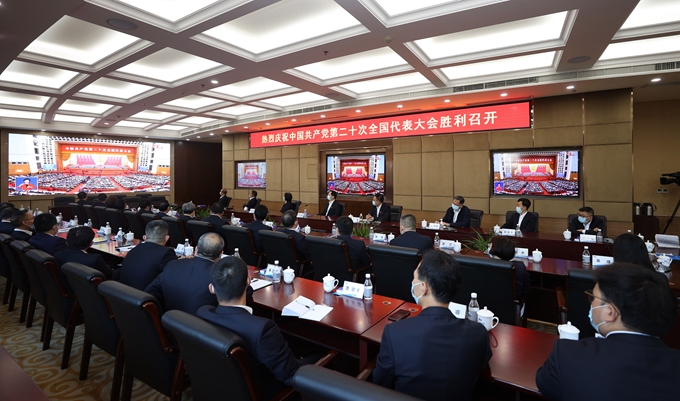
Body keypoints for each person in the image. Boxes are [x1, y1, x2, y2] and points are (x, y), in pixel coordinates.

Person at [536, 263, 680, 401]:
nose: (591, 303)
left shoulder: (567, 356)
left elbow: (545, 385)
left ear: (610, 312)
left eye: (593, 298)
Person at [373, 251, 492, 401]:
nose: (412, 282)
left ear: (424, 287)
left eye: (414, 278)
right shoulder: (479, 333)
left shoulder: (395, 333)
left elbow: (380, 385)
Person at [197, 257, 313, 398]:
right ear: (248, 282)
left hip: (220, 389)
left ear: (212, 288)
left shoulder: (203, 313)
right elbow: (291, 376)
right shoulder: (263, 329)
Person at [145, 233, 224, 314]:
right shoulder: (220, 276)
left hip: (168, 319)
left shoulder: (173, 265)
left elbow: (149, 293)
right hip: (200, 321)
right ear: (221, 253)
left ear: (196, 249)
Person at [119, 220, 178, 290]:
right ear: (166, 238)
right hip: (145, 295)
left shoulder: (136, 248)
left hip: (123, 292)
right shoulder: (166, 253)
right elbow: (176, 275)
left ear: (144, 237)